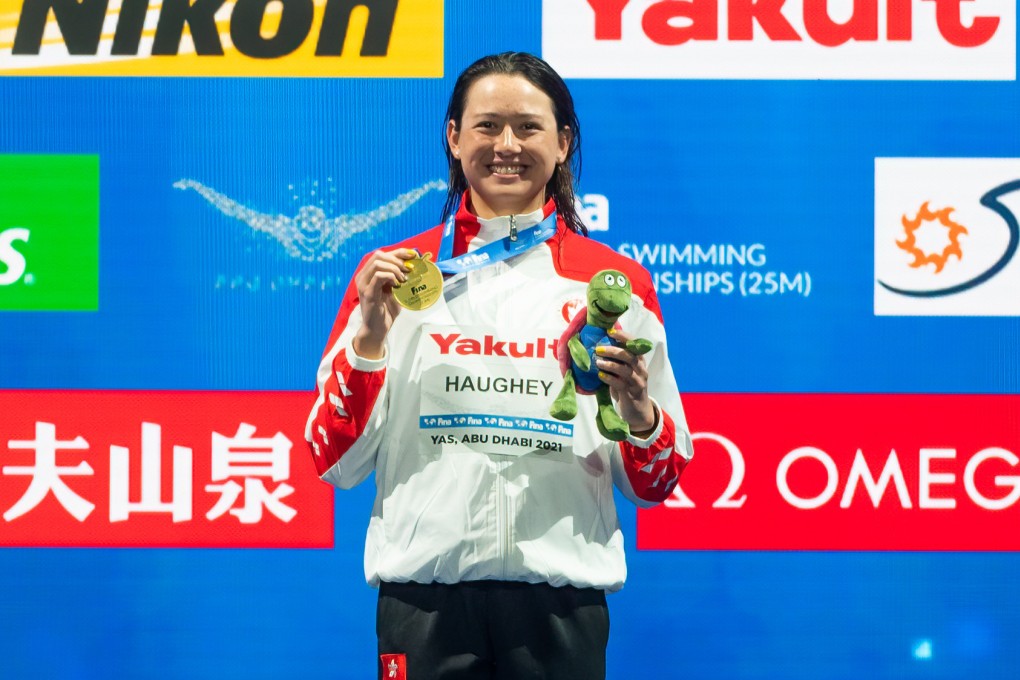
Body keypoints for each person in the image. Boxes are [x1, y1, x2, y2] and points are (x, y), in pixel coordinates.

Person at [305, 52, 693, 679]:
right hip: (423, 603)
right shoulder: (398, 276)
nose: (506, 145)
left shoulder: (612, 283)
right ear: (454, 137)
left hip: (561, 606)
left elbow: (656, 481)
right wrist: (370, 340)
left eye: (528, 127)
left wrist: (638, 411)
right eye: (486, 126)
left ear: (563, 143)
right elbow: (333, 462)